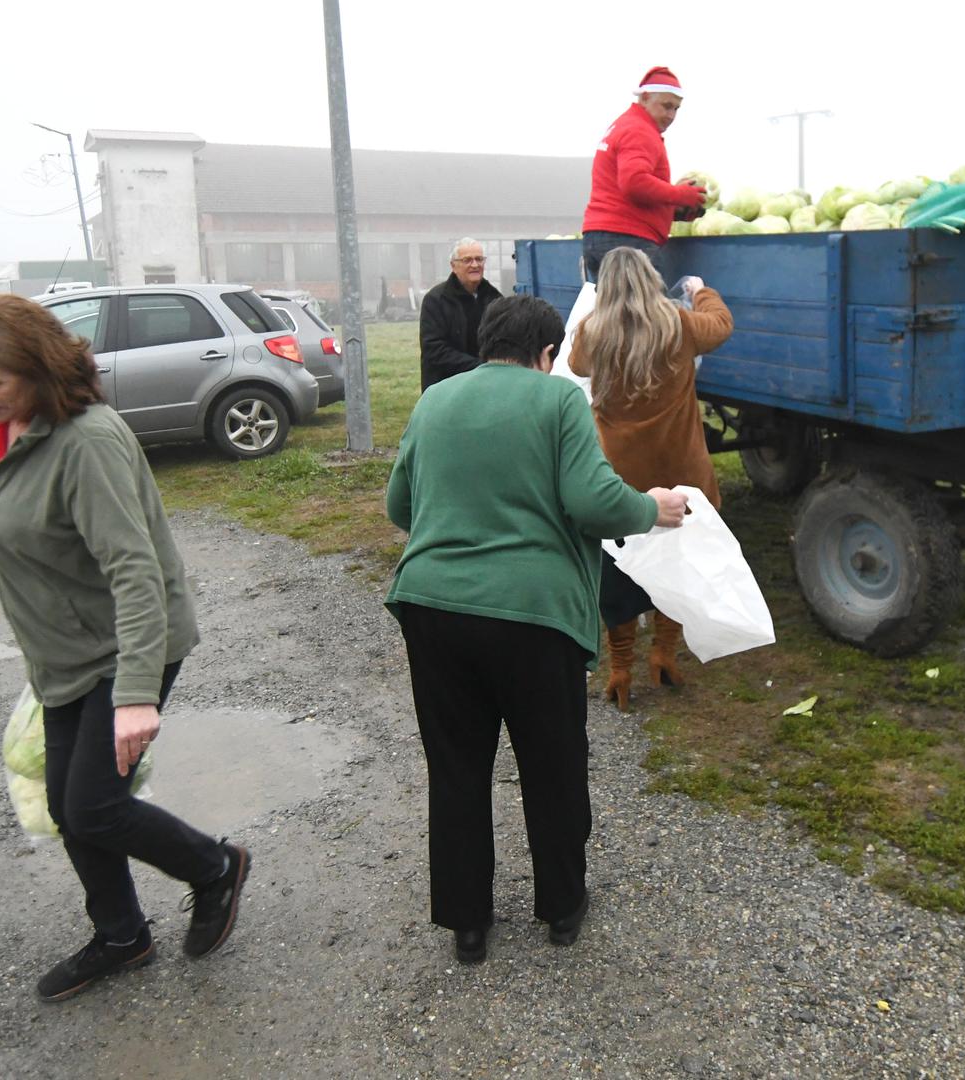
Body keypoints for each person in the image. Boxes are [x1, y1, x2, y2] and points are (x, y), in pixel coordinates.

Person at [0, 294, 250, 1003]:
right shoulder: (11, 429)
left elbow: (134, 570)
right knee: (66, 804)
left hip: (123, 649)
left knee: (96, 807)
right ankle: (121, 935)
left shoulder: (86, 443)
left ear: (40, 369)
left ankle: (216, 869)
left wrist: (137, 693)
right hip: (65, 656)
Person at [386, 294, 689, 965]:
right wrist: (652, 507)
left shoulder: (434, 400)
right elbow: (591, 501)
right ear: (547, 353)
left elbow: (399, 504)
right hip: (533, 617)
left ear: (486, 339)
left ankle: (467, 924)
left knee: (457, 767)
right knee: (551, 765)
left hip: (432, 609)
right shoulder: (557, 403)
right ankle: (560, 907)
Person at [568, 247, 734, 711]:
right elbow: (721, 325)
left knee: (620, 573)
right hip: (682, 475)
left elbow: (579, 367)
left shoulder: (592, 333)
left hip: (621, 479)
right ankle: (664, 654)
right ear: (651, 278)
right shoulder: (678, 326)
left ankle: (621, 668)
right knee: (676, 567)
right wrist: (702, 292)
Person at [580, 65, 709, 283]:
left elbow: (628, 192)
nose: (671, 115)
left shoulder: (624, 125)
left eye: (676, 109)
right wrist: (680, 195)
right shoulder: (639, 130)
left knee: (616, 316)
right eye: (666, 106)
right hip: (627, 243)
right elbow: (634, 182)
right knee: (651, 316)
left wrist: (673, 211)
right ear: (646, 98)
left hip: (604, 237)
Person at [418, 237, 503, 390]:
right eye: (467, 260)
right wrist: (479, 367)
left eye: (479, 259)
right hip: (446, 386)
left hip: (486, 385)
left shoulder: (495, 298)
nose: (475, 265)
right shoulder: (435, 300)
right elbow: (434, 349)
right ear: (453, 266)